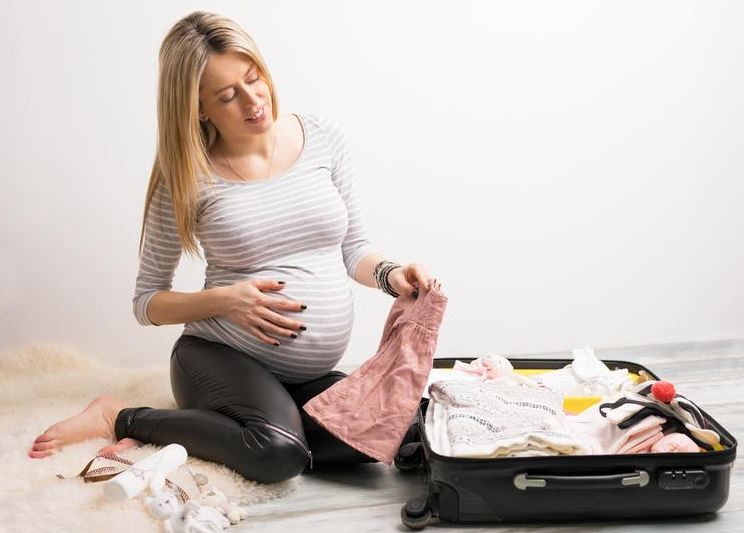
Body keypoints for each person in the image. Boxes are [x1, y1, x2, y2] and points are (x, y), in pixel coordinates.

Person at [28, 11, 435, 484]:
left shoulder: (323, 137)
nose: (254, 100)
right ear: (199, 108)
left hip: (306, 376)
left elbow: (353, 249)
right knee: (277, 455)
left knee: (396, 430)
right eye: (227, 95)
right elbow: (147, 303)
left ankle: (245, 428)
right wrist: (227, 299)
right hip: (217, 357)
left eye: (253, 78)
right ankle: (118, 417)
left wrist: (393, 275)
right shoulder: (185, 174)